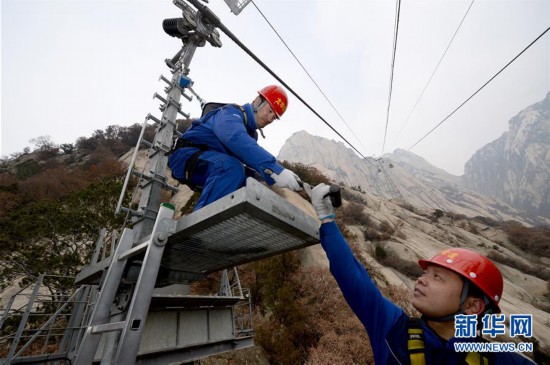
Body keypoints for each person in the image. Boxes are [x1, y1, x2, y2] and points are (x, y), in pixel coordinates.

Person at [305, 183, 537, 364]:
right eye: (425, 273)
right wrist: (327, 221)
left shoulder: (499, 359)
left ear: (473, 306)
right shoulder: (394, 329)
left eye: (437, 277)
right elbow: (353, 278)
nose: (421, 279)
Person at [168, 85, 302, 211]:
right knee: (232, 168)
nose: (269, 119)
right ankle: (203, 223)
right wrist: (277, 170)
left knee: (255, 184)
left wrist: (270, 179)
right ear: (257, 101)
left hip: (210, 163)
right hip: (186, 156)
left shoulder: (251, 134)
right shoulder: (230, 113)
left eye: (274, 117)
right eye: (270, 111)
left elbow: (249, 156)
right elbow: (235, 138)